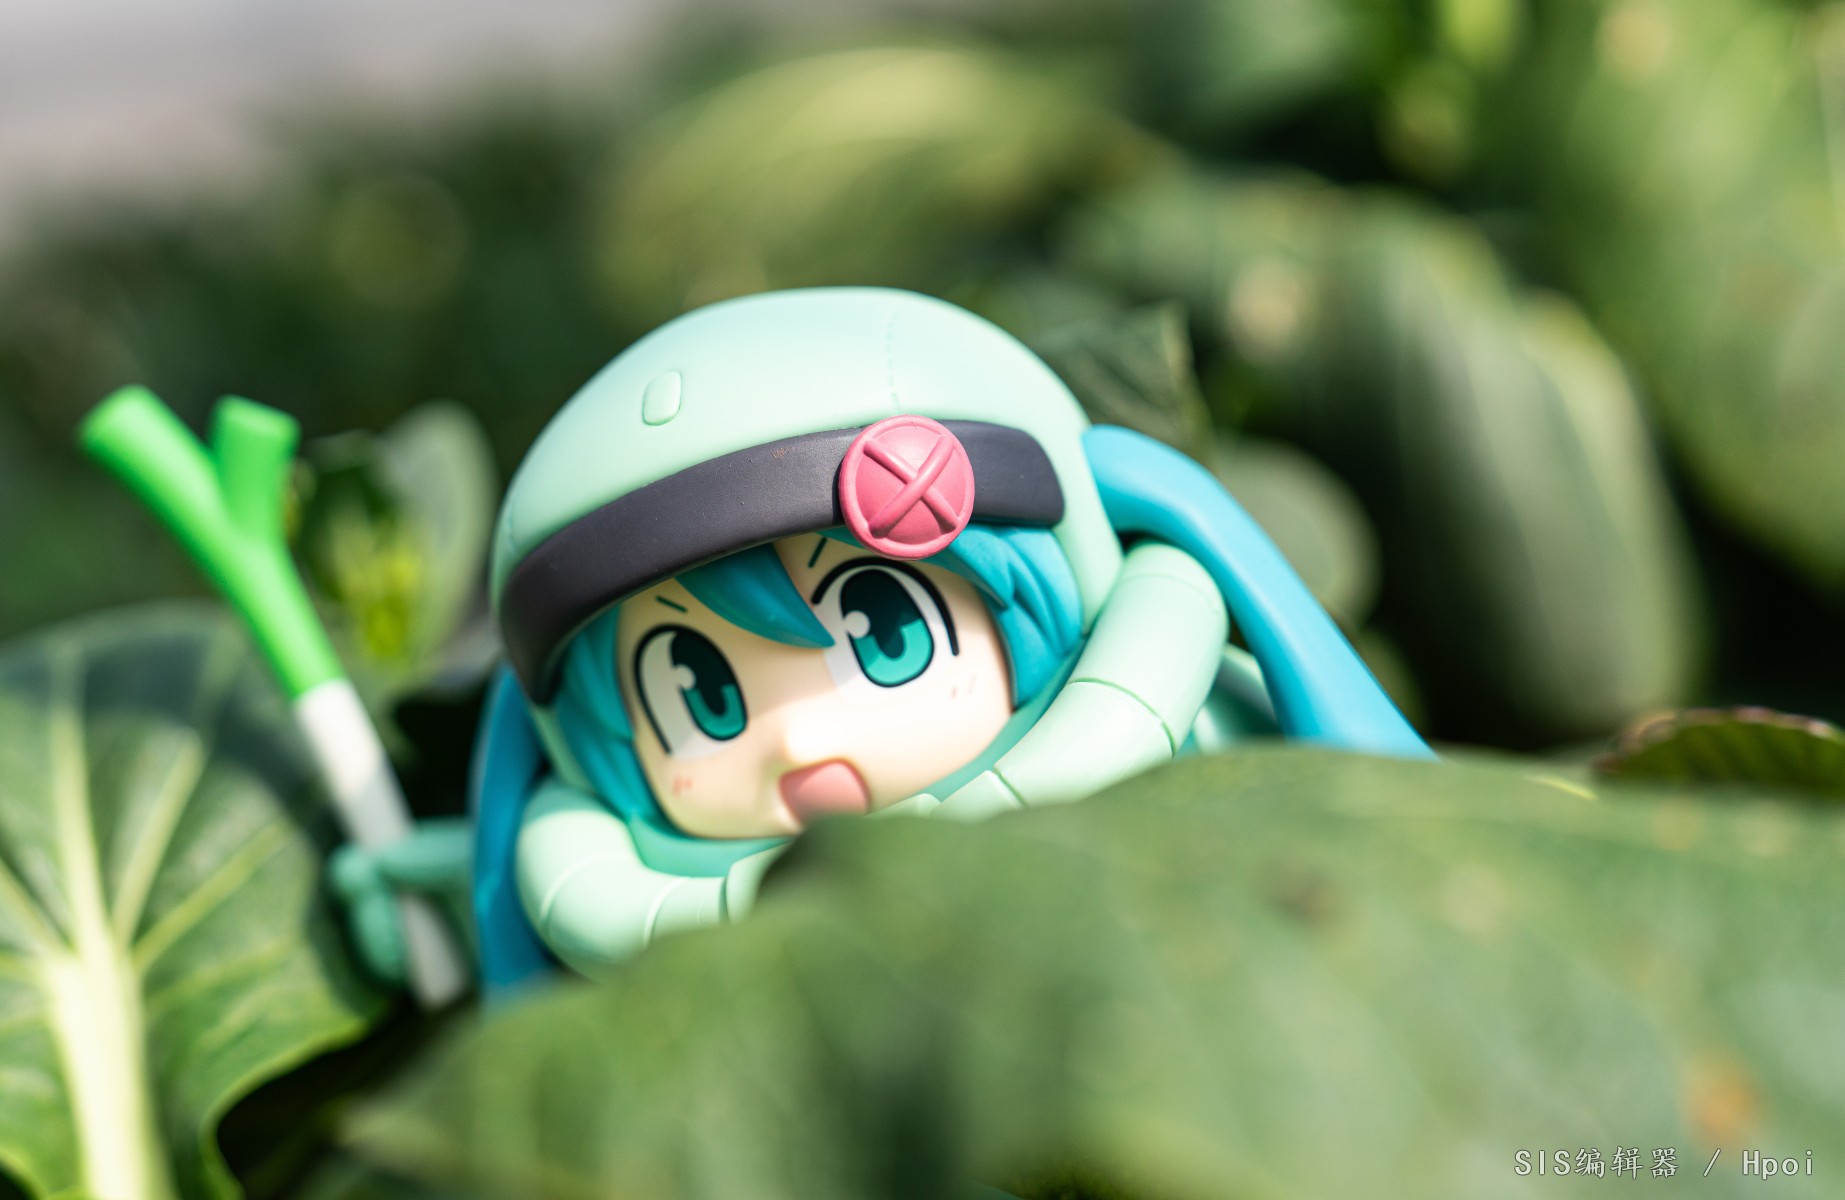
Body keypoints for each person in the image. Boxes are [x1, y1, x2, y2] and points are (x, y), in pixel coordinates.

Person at [338, 286, 1428, 997]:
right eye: (700, 693)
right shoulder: (632, 910)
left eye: (887, 632)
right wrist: (445, 900)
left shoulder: (1202, 748)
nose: (795, 740)